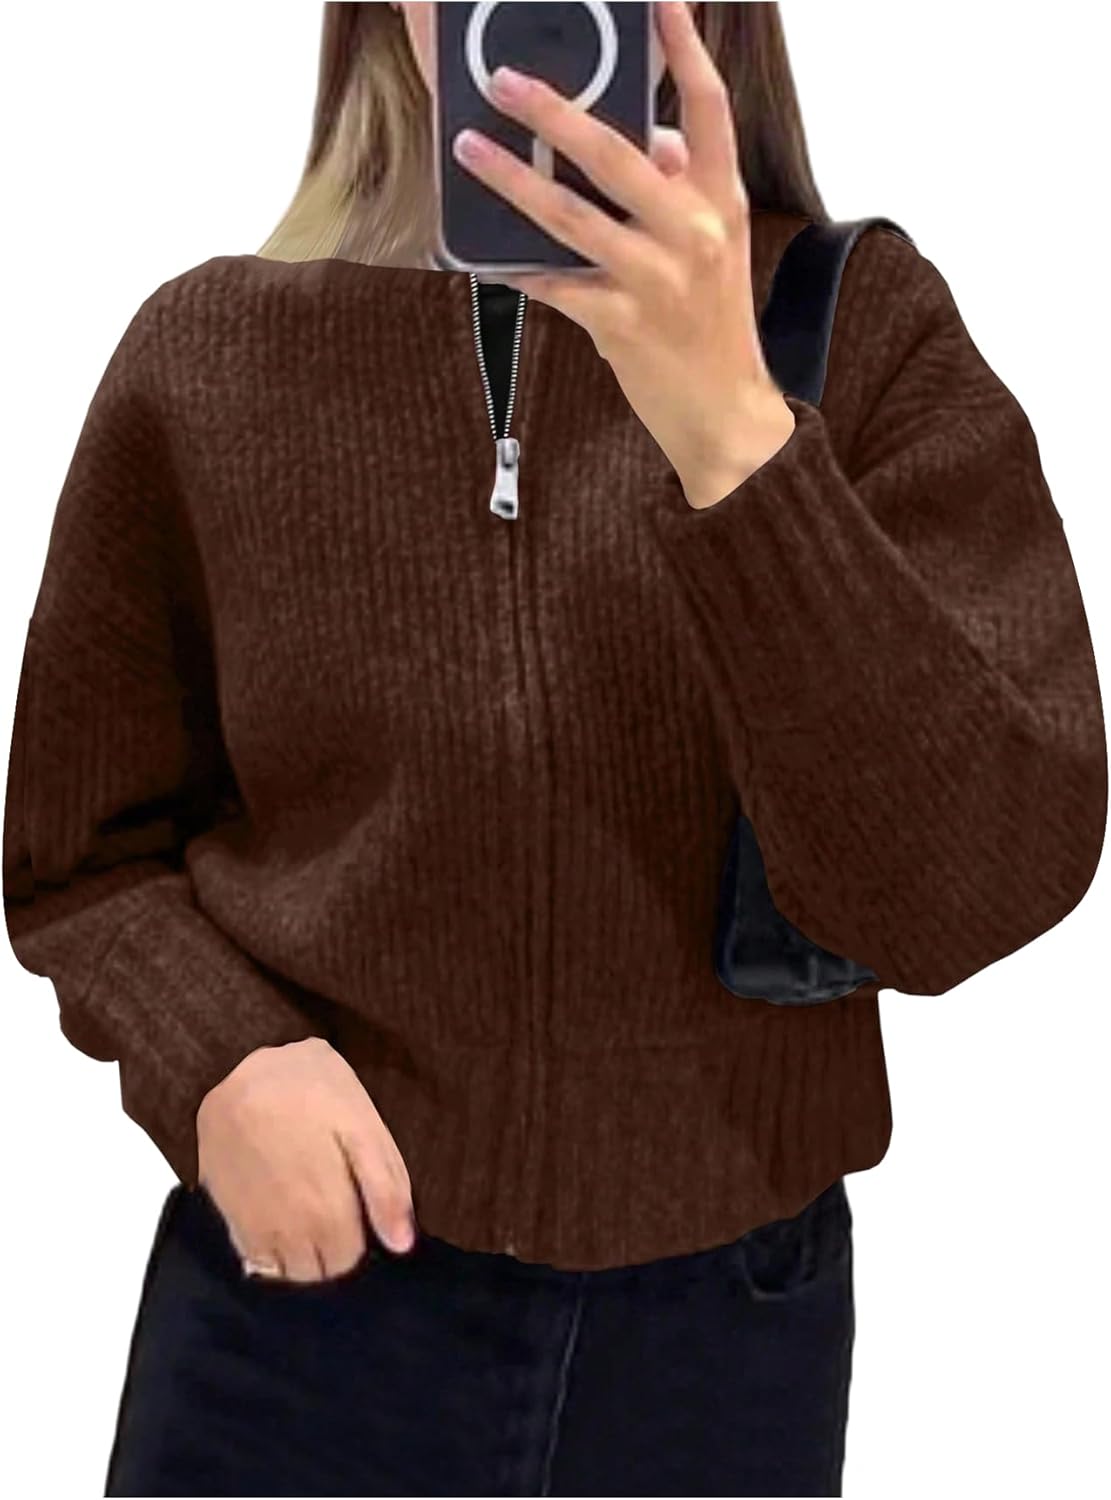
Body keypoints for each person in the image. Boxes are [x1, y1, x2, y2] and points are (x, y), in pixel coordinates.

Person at [2, 3, 1105, 1496]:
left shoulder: (865, 338)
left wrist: (736, 435)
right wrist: (218, 1057)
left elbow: (968, 889)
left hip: (719, 1352)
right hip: (300, 1308)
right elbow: (80, 857)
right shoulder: (208, 356)